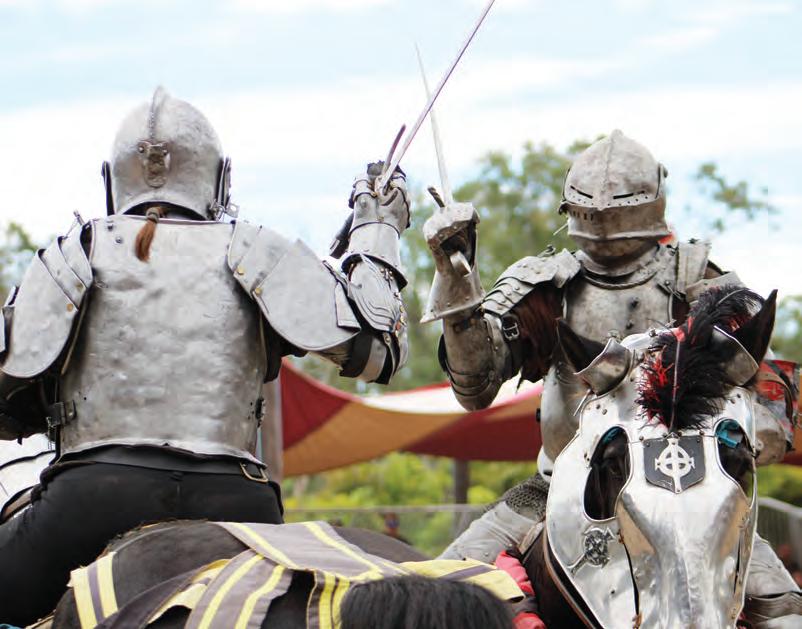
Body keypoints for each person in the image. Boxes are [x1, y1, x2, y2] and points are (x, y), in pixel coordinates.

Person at [0, 87, 411, 626]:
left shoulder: (74, 253)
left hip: (91, 500)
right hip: (235, 503)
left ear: (109, 180)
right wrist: (376, 225)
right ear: (221, 179)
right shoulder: (255, 250)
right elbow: (378, 349)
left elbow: (7, 403)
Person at [423, 130, 801, 622]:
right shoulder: (546, 284)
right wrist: (457, 285)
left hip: (692, 492)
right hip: (557, 488)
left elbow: (769, 396)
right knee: (437, 597)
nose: (603, 216)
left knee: (783, 611)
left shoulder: (697, 279)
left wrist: (738, 443)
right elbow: (474, 385)